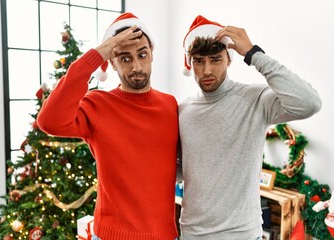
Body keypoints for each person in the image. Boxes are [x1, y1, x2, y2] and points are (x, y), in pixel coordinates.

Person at [177, 15, 321, 240]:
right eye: (198, 61)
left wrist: (255, 54)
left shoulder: (255, 99)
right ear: (190, 62)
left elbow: (309, 103)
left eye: (215, 59)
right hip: (193, 234)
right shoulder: (183, 111)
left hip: (243, 234)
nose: (206, 70)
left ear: (228, 59)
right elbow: (179, 169)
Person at [37, 12, 179, 240]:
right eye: (124, 58)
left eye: (142, 55)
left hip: (164, 235)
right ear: (112, 62)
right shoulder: (98, 104)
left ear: (152, 54)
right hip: (111, 236)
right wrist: (97, 55)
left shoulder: (170, 105)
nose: (136, 66)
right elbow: (49, 120)